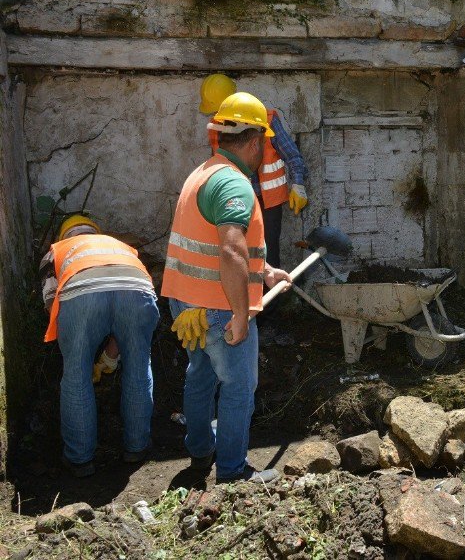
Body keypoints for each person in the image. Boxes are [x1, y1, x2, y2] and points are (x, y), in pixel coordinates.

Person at [163, 92, 293, 483]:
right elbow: (231, 252)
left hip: (185, 305)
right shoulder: (235, 185)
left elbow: (216, 245)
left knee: (200, 374)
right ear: (255, 142)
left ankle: (201, 451)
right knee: (239, 386)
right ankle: (233, 471)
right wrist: (240, 314)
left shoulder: (203, 173)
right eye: (265, 145)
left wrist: (265, 271)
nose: (264, 152)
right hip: (219, 309)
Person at [41, 214, 159, 477]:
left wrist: (76, 350)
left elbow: (53, 306)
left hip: (82, 295)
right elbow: (121, 300)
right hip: (136, 289)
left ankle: (80, 459)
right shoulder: (119, 246)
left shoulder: (57, 251)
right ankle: (137, 447)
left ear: (64, 236)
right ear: (95, 232)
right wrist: (110, 355)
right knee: (138, 369)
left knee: (76, 377)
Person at [198, 74, 308, 270]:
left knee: (268, 254)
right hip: (235, 200)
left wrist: (297, 184)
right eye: (216, 112)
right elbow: (217, 164)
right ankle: (246, 297)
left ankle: (269, 299)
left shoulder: (266, 120)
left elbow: (292, 155)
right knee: (238, 252)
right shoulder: (216, 127)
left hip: (268, 202)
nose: (220, 118)